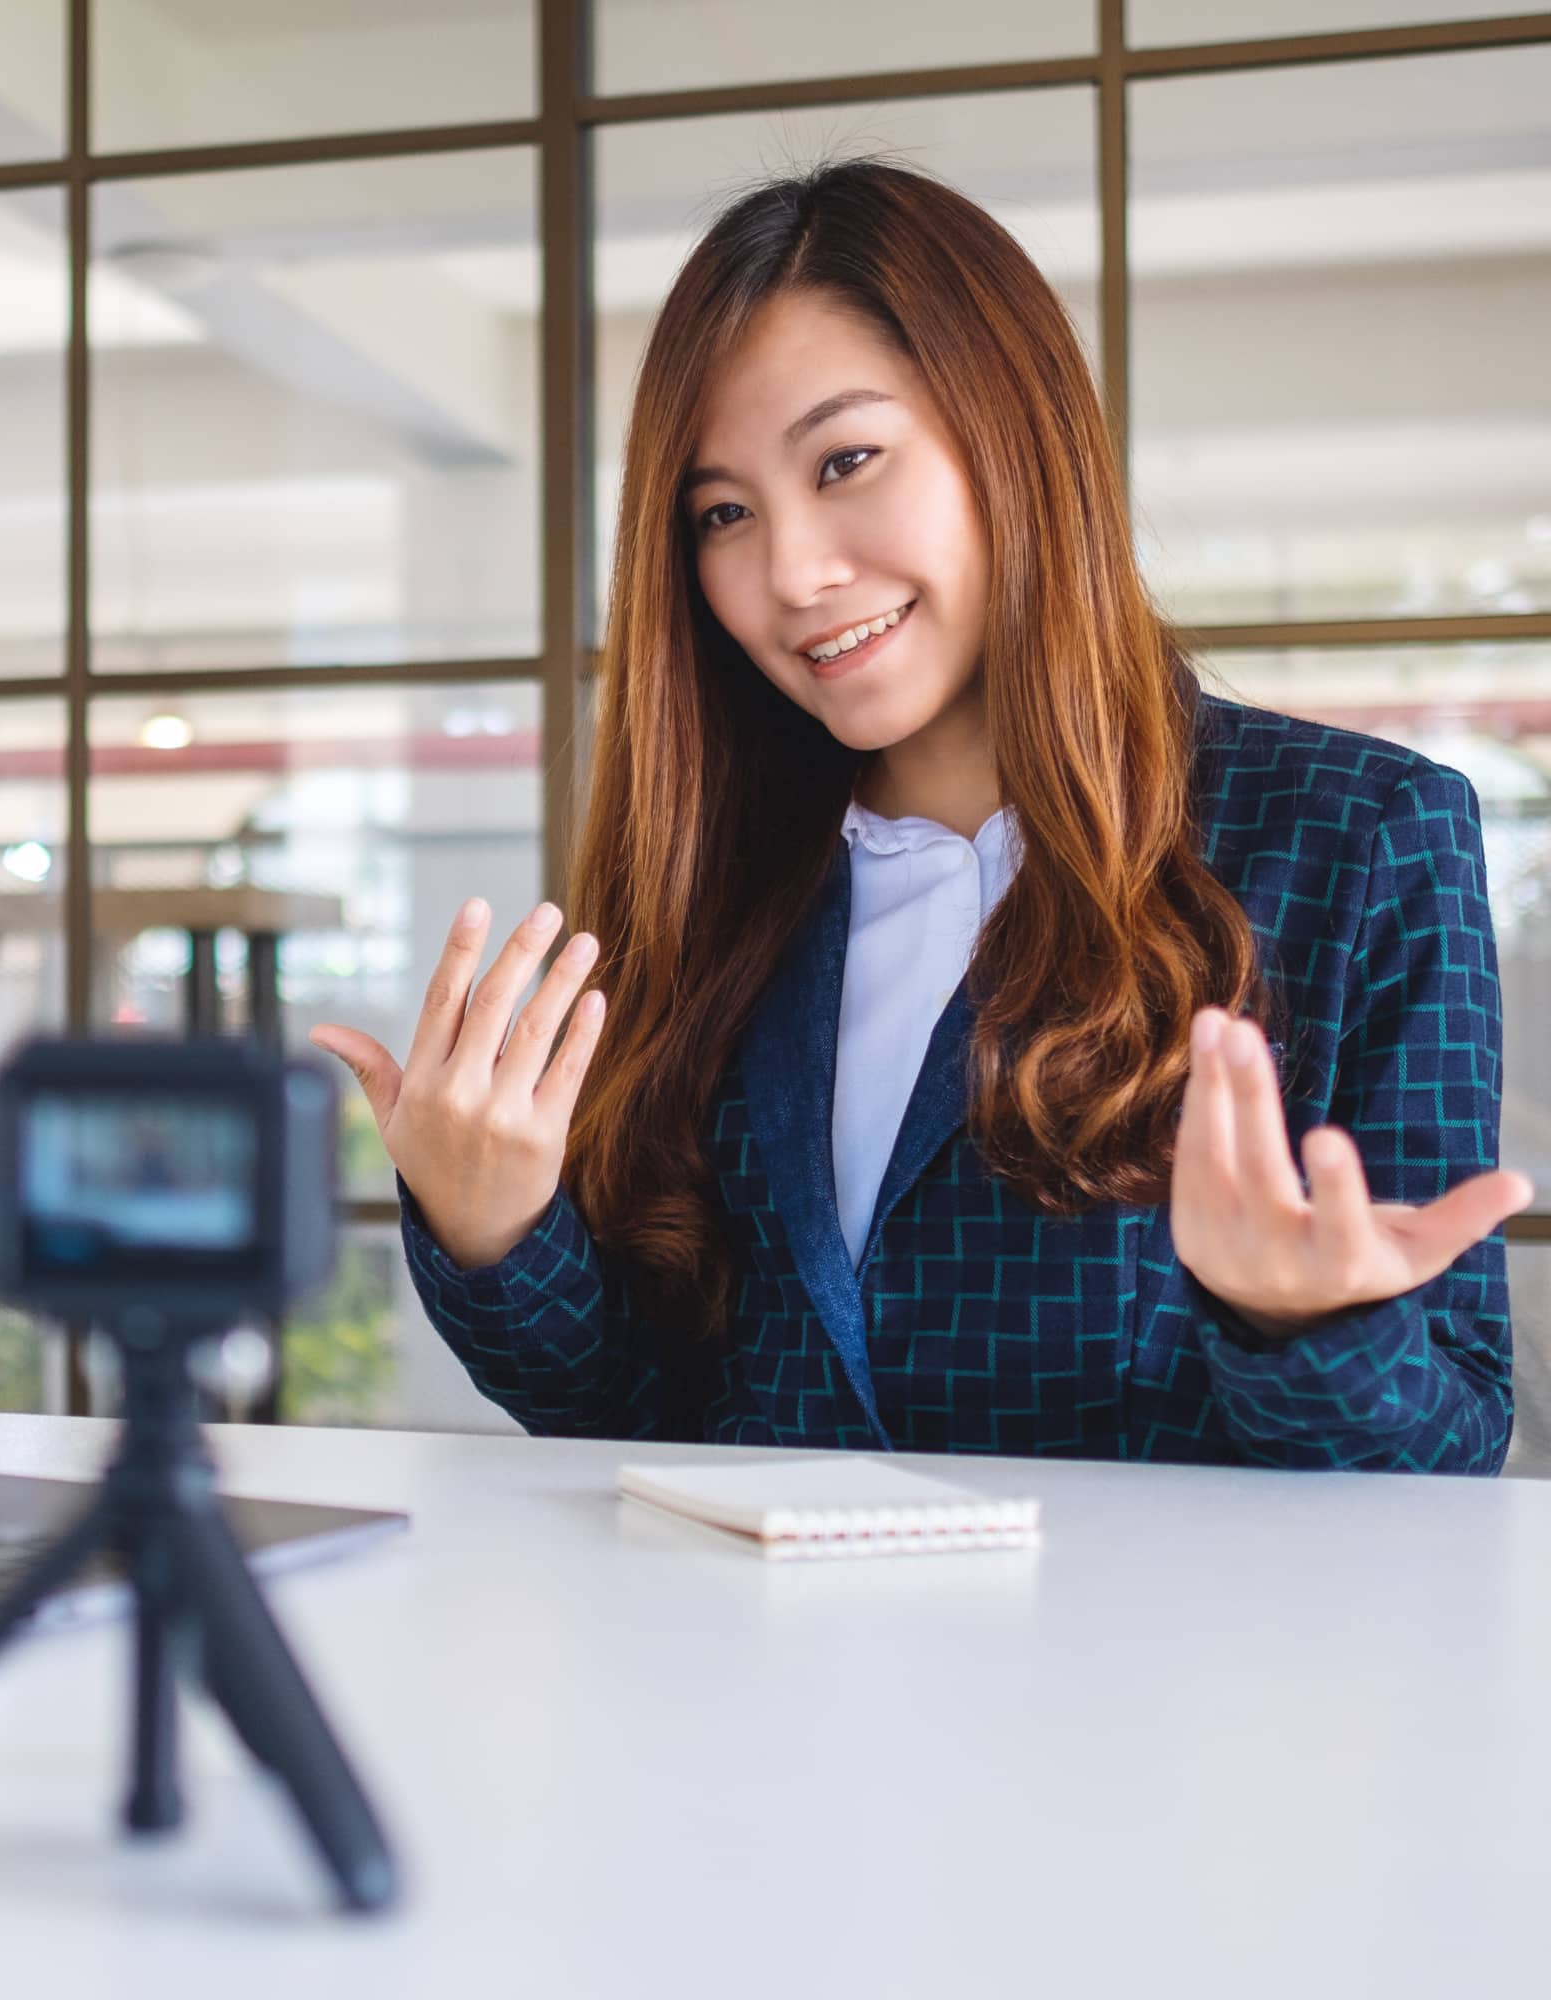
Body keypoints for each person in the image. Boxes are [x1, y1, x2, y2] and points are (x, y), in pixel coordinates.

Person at [309, 157, 1534, 1470]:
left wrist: (1305, 1328)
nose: (790, 573)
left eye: (846, 461)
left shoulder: (1361, 839)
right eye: (723, 513)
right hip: (730, 1668)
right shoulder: (705, 881)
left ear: (1008, 432)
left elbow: (1450, 1457)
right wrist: (496, 1225)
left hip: (1142, 1671)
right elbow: (647, 1423)